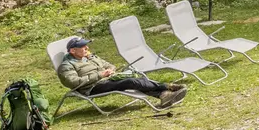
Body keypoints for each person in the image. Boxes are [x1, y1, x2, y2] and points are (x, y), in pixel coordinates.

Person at [55, 37, 186, 109]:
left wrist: (110, 70)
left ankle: (164, 95)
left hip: (108, 79)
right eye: (83, 47)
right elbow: (73, 83)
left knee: (135, 78)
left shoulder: (90, 57)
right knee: (131, 82)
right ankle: (167, 87)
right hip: (92, 87)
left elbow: (109, 64)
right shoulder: (66, 66)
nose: (87, 48)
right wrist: (100, 75)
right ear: (72, 51)